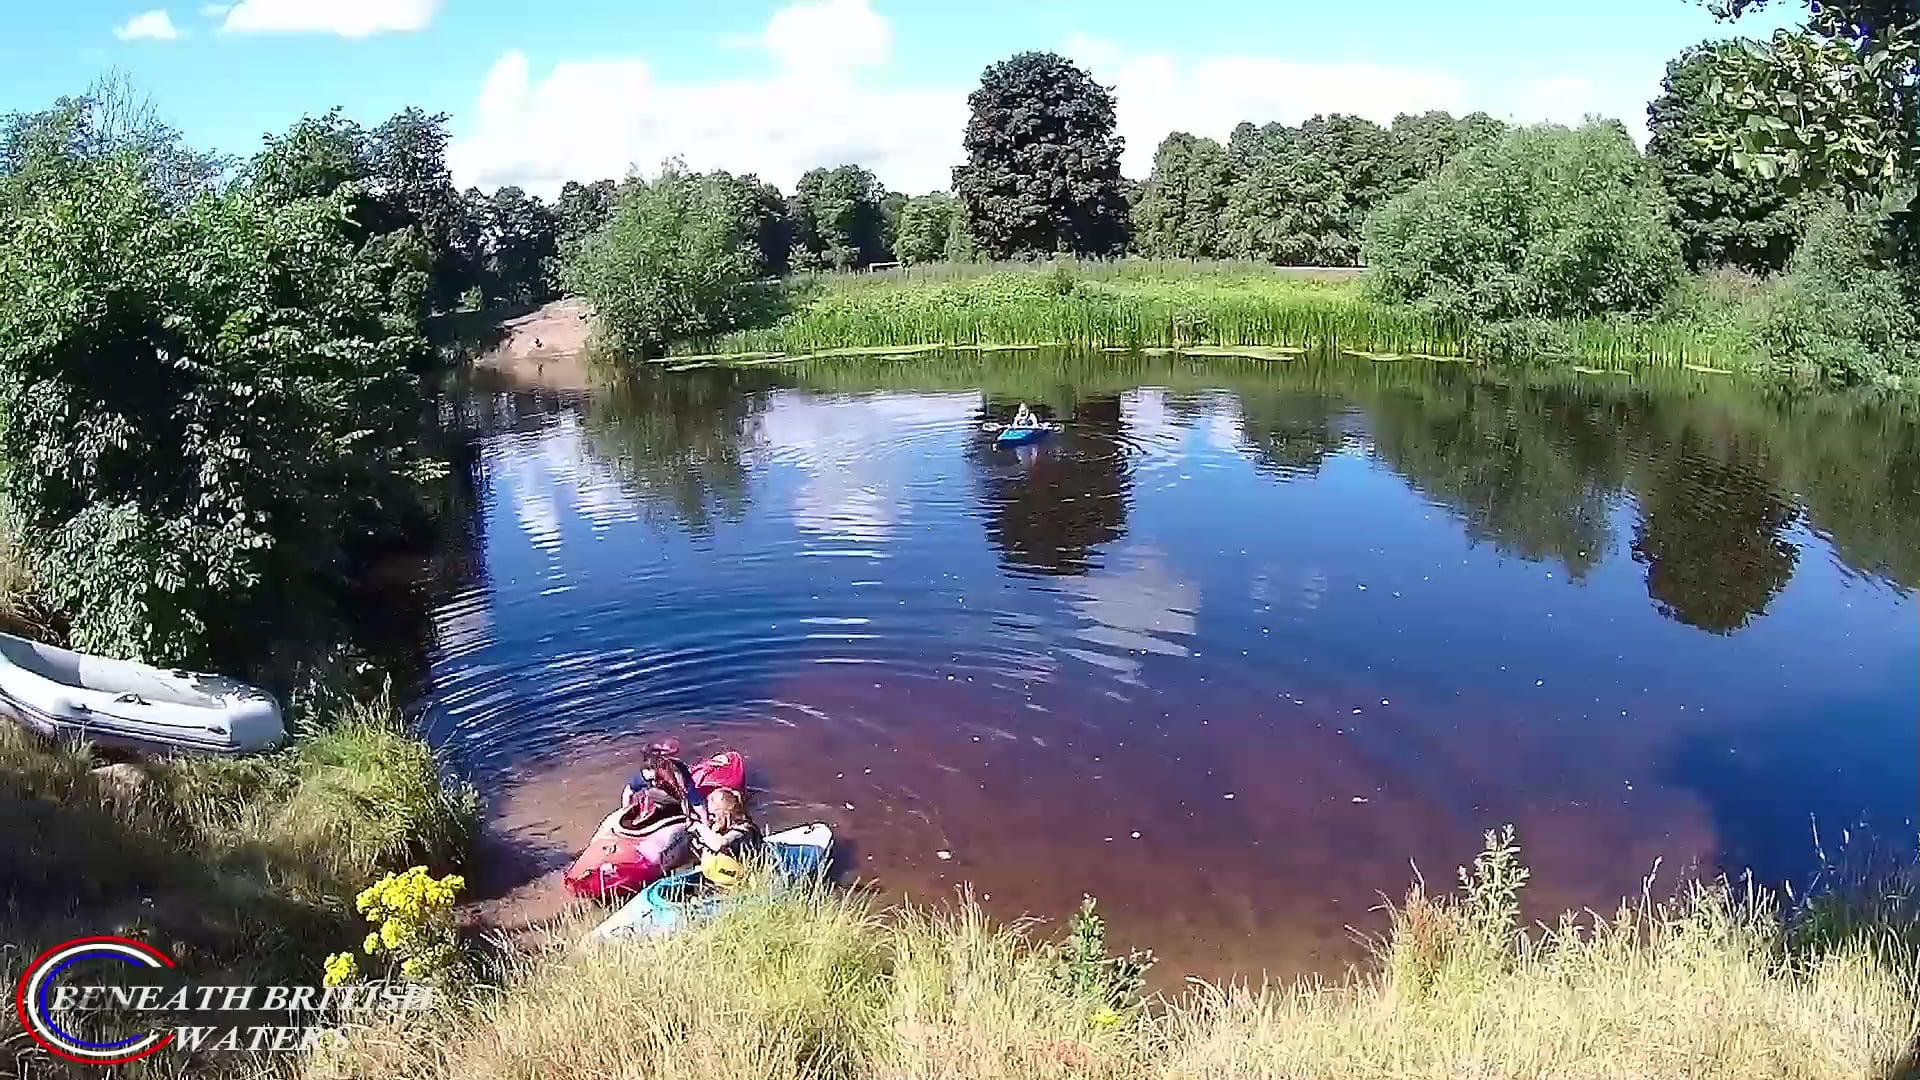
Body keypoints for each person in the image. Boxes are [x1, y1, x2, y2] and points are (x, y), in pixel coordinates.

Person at [692, 787, 761, 859]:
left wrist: (700, 827)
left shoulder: (745, 829)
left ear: (726, 814)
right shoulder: (721, 830)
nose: (711, 819)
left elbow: (718, 845)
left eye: (713, 815)